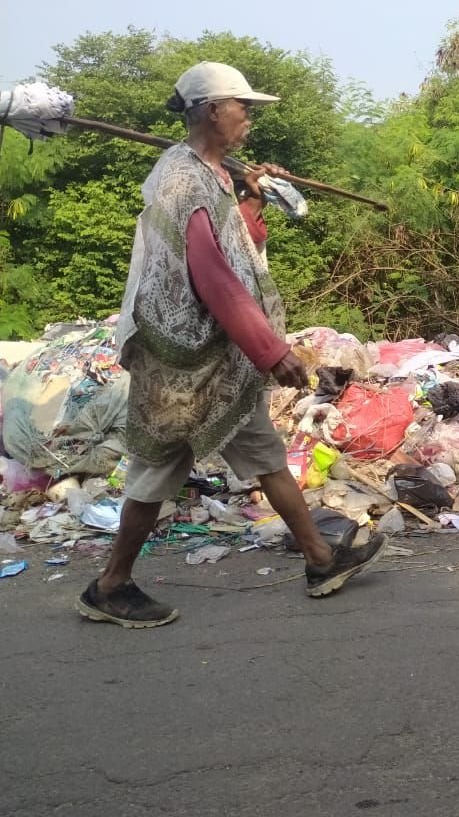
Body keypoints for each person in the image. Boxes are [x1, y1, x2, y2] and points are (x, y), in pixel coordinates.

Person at [77, 61, 385, 629]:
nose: (249, 118)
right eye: (243, 107)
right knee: (157, 471)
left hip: (219, 359)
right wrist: (271, 350)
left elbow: (236, 246)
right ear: (212, 110)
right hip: (182, 362)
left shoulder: (214, 175)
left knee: (264, 453)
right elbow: (213, 276)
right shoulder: (182, 180)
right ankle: (111, 585)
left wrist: (255, 199)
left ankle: (320, 558)